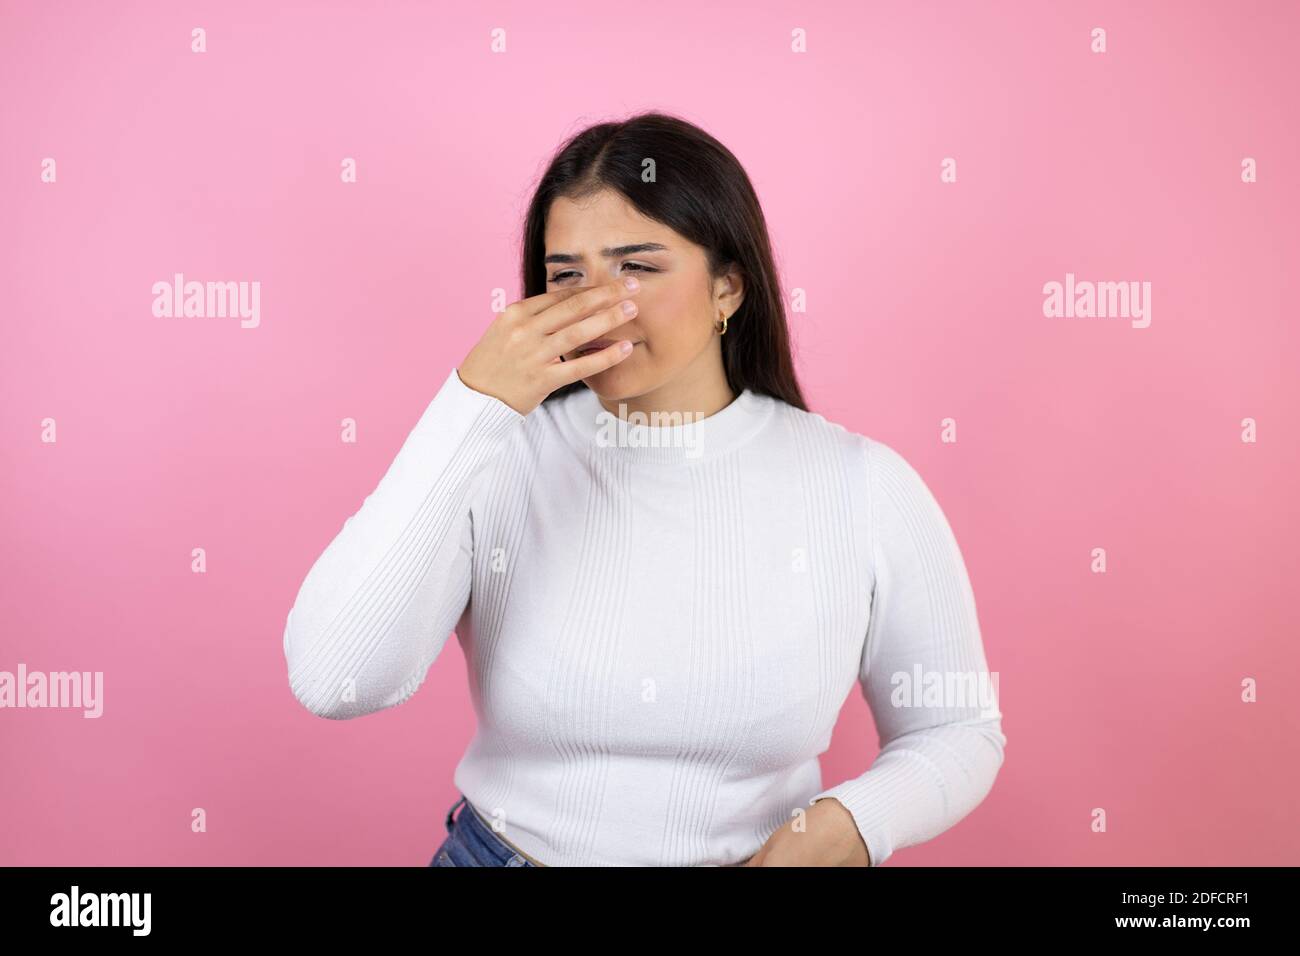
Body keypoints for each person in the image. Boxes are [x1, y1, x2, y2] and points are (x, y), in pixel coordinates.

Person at [283, 111, 1006, 867]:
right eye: (567, 276)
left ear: (728, 286)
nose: (600, 307)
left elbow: (956, 729)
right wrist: (471, 406)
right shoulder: (498, 459)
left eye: (638, 266)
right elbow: (336, 679)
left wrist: (853, 823)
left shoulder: (861, 485)